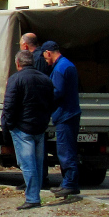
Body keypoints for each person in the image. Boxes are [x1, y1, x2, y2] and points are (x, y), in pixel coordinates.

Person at [2, 49, 54, 209]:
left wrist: (9, 125)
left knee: (27, 163)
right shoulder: (46, 80)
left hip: (22, 128)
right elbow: (52, 103)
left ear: (18, 63)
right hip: (40, 126)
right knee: (37, 164)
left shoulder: (15, 79)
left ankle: (32, 198)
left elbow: (9, 106)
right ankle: (35, 195)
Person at [43, 42, 82, 197]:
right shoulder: (67, 64)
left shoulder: (60, 68)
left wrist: (42, 100)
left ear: (48, 52)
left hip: (65, 115)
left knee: (66, 151)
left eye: (44, 56)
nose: (45, 60)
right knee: (67, 150)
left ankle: (70, 184)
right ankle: (67, 183)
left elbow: (56, 92)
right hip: (70, 113)